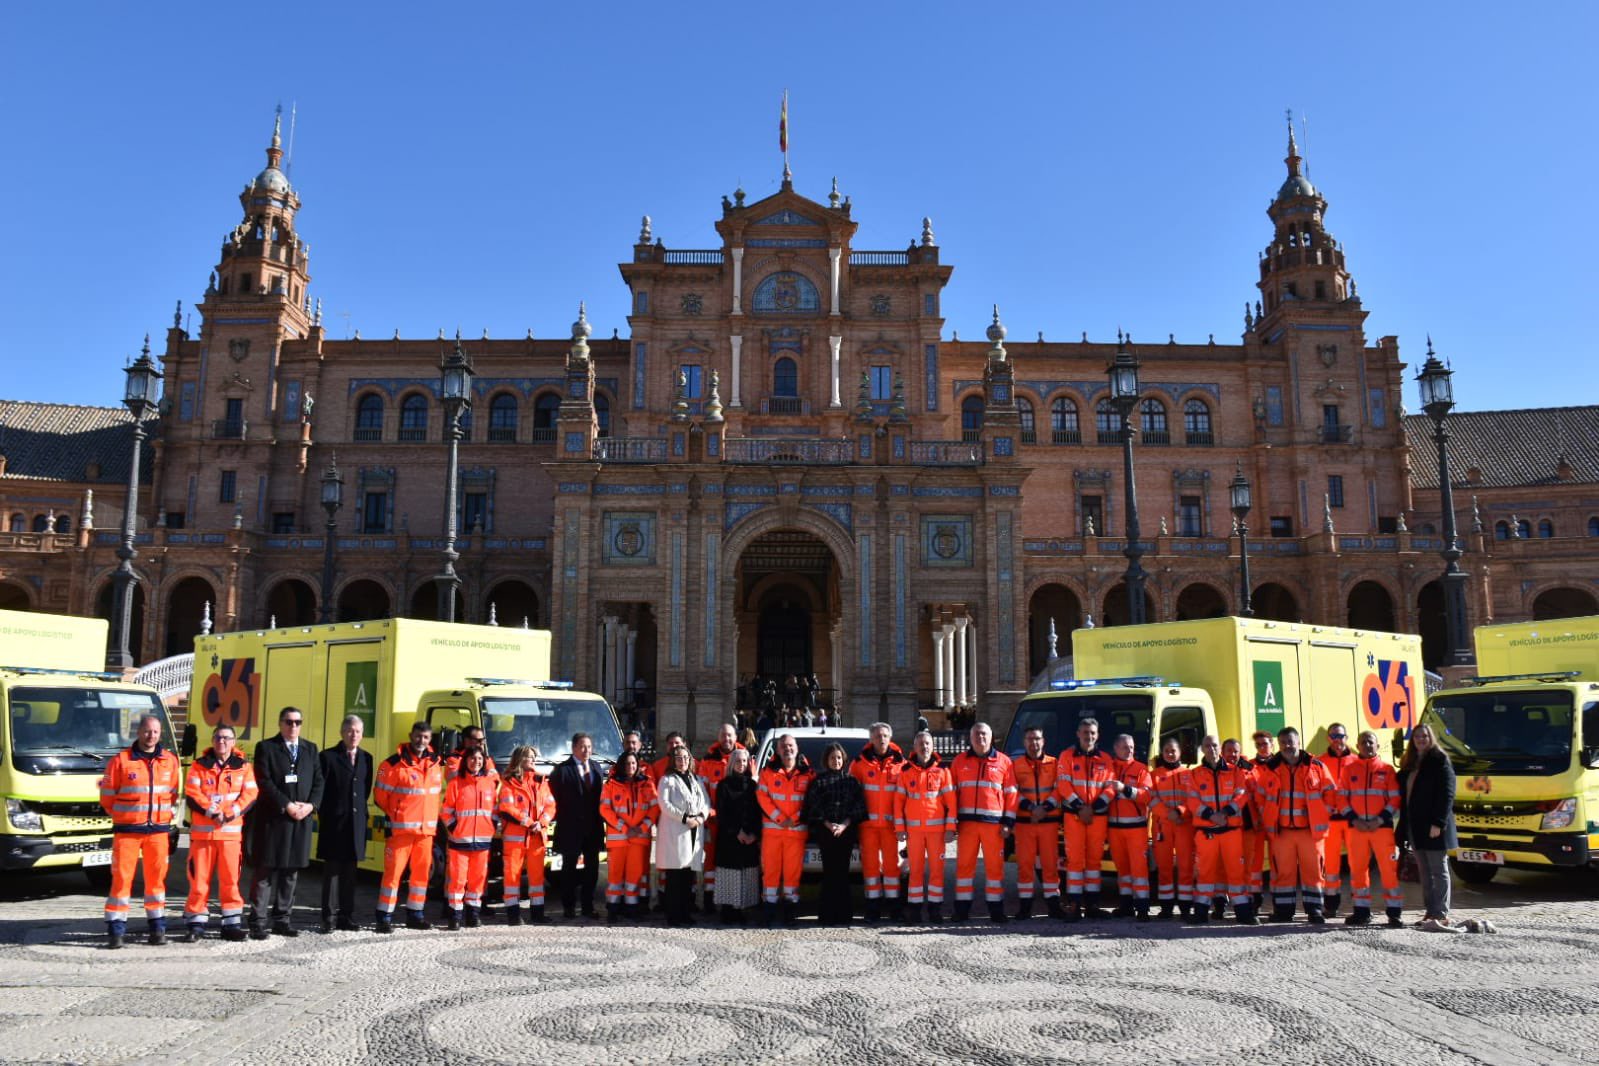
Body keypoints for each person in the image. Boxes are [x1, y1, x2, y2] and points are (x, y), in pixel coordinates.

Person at [98, 713, 182, 948]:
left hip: (158, 831)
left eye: (155, 732)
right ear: (138, 732)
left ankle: (157, 928)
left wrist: (162, 817)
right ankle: (116, 931)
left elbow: (173, 793)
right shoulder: (121, 760)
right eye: (147, 731)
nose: (151, 735)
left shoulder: (170, 761)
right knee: (122, 880)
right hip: (127, 831)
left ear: (159, 734)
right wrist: (124, 817)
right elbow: (107, 797)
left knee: (156, 881)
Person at [248, 705, 325, 939]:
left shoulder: (310, 749)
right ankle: (258, 921)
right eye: (289, 722)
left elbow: (319, 782)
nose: (294, 726)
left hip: (300, 820)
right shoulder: (267, 748)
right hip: (274, 820)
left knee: (291, 873)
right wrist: (287, 805)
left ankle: (282, 919)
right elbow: (264, 781)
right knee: (266, 872)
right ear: (280, 723)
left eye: (298, 722)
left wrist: (311, 806)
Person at [183, 724, 259, 942]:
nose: (222, 742)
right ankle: (196, 924)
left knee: (230, 882)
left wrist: (231, 813)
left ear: (234, 742)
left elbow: (251, 794)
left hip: (230, 836)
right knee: (199, 881)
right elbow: (192, 793)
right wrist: (212, 811)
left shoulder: (244, 767)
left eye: (226, 738)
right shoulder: (199, 766)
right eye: (218, 737)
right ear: (213, 740)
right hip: (203, 837)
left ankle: (232, 924)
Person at [1256, 726, 1339, 923]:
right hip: (1282, 832)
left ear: (1298, 742)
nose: (1287, 746)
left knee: (1314, 873)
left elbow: (1331, 794)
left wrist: (1321, 815)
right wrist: (1267, 817)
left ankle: (1315, 911)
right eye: (1283, 742)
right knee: (1283, 874)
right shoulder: (1271, 768)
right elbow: (1260, 796)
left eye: (1290, 741)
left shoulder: (1316, 766)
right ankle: (1284, 911)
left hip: (1310, 832)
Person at [373, 720, 445, 932]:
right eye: (417, 736)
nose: (421, 740)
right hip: (401, 831)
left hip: (426, 833)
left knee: (421, 875)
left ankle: (415, 914)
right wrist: (398, 815)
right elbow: (380, 796)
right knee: (393, 874)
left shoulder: (435, 764)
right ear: (410, 735)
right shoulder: (393, 764)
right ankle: (384, 917)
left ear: (430, 739)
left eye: (425, 737)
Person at [949, 722, 1017, 923]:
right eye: (977, 735)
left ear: (991, 737)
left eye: (984, 734)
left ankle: (996, 910)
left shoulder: (1004, 762)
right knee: (964, 867)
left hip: (994, 826)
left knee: (995, 867)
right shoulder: (959, 761)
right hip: (967, 825)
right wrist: (951, 824)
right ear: (970, 738)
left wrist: (1008, 823)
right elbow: (951, 795)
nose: (980, 738)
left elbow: (1012, 794)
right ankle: (961, 910)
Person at [1337, 729, 1403, 927]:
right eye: (1363, 742)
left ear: (1377, 745)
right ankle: (1361, 912)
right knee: (1358, 870)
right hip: (1357, 828)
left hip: (1381, 829)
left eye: (1370, 742)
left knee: (1388, 870)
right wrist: (1353, 818)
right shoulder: (1349, 769)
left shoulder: (1387, 769)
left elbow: (1395, 798)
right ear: (1357, 746)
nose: (1367, 745)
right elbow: (1341, 797)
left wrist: (1380, 820)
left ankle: (1394, 913)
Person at [1186, 735, 1255, 924]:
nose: (1211, 749)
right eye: (1207, 745)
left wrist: (1225, 813)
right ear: (1202, 748)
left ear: (1219, 748)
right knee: (1205, 873)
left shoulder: (1235, 772)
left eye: (1214, 745)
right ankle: (1200, 913)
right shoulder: (1194, 774)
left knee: (1236, 872)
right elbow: (1192, 801)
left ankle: (1243, 913)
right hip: (1206, 832)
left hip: (1231, 831)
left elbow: (1242, 795)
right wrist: (1211, 815)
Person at [1398, 722, 1458, 930]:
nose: (1421, 740)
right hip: (1415, 827)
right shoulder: (1410, 763)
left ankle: (1441, 913)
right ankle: (1430, 911)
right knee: (1423, 871)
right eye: (1417, 737)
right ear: (1412, 741)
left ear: (1430, 737)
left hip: (1434, 826)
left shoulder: (1440, 760)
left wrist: (1438, 823)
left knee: (1438, 870)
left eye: (1424, 736)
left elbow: (1447, 793)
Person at [1054, 717, 1115, 921]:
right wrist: (1081, 808)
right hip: (1075, 817)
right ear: (1078, 734)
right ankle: (1074, 905)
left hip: (1097, 817)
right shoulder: (1066, 756)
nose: (1089, 736)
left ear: (1097, 736)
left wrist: (1094, 807)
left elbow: (1111, 787)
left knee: (1094, 862)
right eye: (1085, 732)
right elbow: (1063, 785)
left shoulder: (1106, 759)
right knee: (1075, 862)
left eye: (1092, 733)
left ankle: (1092, 906)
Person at [316, 714, 373, 933]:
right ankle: (328, 918)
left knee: (350, 873)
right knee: (332, 873)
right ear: (342, 732)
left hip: (356, 824)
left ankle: (346, 916)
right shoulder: (328, 757)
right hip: (334, 823)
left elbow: (364, 789)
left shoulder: (367, 758)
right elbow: (322, 789)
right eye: (350, 730)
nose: (354, 735)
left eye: (358, 731)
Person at [896, 730, 956, 923]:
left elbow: (951, 803)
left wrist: (950, 829)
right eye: (921, 744)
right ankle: (914, 911)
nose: (925, 747)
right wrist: (899, 829)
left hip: (937, 832)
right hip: (914, 832)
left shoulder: (943, 771)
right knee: (915, 871)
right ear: (914, 748)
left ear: (933, 746)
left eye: (928, 744)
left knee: (937, 871)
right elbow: (898, 803)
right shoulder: (905, 772)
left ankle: (935, 910)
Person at [806, 742, 868, 926]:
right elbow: (813, 806)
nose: (836, 761)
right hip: (826, 833)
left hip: (846, 833)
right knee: (829, 873)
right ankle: (827, 915)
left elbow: (859, 806)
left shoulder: (851, 781)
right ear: (827, 760)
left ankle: (843, 915)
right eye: (832, 758)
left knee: (842, 874)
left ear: (844, 760)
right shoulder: (819, 781)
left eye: (839, 757)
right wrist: (828, 824)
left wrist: (844, 825)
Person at [849, 722, 906, 922]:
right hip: (868, 827)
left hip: (891, 827)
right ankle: (872, 908)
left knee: (892, 868)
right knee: (871, 868)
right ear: (871, 739)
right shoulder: (859, 763)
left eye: (884, 736)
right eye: (877, 736)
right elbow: (851, 794)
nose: (881, 739)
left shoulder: (901, 764)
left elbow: (906, 796)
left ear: (890, 738)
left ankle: (894, 908)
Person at [757, 733, 814, 927]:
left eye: (790, 746)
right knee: (771, 872)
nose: (787, 749)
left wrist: (795, 819)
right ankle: (769, 911)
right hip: (773, 832)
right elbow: (762, 797)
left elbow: (810, 800)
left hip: (796, 833)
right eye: (783, 746)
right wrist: (781, 819)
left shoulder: (808, 773)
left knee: (792, 874)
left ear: (797, 748)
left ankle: (790, 912)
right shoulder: (767, 772)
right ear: (778, 750)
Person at [498, 744, 556, 925]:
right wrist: (530, 823)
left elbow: (550, 805)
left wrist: (543, 822)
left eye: (533, 757)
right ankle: (513, 915)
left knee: (537, 878)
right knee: (512, 876)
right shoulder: (508, 782)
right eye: (529, 757)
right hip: (515, 839)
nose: (532, 760)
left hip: (537, 837)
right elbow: (507, 808)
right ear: (519, 759)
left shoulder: (541, 781)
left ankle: (537, 913)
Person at [441, 746, 498, 929]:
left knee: (477, 880)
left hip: (483, 841)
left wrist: (492, 826)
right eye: (472, 758)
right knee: (457, 881)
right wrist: (454, 828)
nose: (476, 762)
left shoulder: (490, 783)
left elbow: (496, 810)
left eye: (480, 759)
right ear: (465, 760)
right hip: (459, 841)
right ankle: (455, 917)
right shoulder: (455, 783)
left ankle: (473, 915)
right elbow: (446, 811)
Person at [551, 732, 605, 920]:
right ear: (573, 748)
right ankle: (568, 907)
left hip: (593, 829)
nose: (586, 750)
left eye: (589, 747)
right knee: (569, 870)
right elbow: (554, 798)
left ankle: (588, 907)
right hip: (570, 828)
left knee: (592, 870)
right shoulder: (562, 770)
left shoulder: (597, 767)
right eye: (582, 746)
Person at [657, 744, 712, 927]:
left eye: (686, 758)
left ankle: (686, 913)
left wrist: (701, 817)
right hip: (677, 832)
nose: (683, 761)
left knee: (688, 877)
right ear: (673, 760)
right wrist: (684, 818)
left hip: (694, 830)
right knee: (675, 878)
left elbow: (705, 801)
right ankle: (674, 915)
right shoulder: (667, 780)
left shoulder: (695, 779)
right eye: (679, 758)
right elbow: (664, 805)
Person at [1011, 726, 1063, 919]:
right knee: (1024, 865)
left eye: (1037, 739)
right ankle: (1025, 907)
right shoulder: (1015, 765)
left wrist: (1044, 809)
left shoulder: (1055, 763)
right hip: (1025, 822)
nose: (1034, 743)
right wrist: (1033, 809)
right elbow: (1012, 792)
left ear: (1044, 741)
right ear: (1024, 742)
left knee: (1050, 864)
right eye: (1030, 739)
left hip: (1048, 821)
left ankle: (1054, 906)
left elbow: (1060, 789)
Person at [600, 750, 657, 921]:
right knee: (615, 876)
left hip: (639, 838)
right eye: (627, 763)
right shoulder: (610, 785)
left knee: (634, 876)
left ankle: (632, 908)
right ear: (621, 765)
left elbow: (655, 808)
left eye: (633, 763)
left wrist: (642, 827)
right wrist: (624, 828)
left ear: (638, 765)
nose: (630, 766)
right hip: (618, 839)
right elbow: (604, 809)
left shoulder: (647, 784)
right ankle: (613, 909)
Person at [712, 746, 763, 924]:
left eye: (744, 761)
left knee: (747, 874)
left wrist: (754, 834)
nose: (741, 764)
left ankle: (743, 910)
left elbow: (759, 812)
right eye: (738, 761)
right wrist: (737, 832)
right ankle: (728, 912)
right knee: (730, 874)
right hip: (729, 838)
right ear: (732, 763)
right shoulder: (723, 785)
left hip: (749, 838)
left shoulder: (753, 785)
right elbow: (722, 812)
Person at [1107, 733, 1155, 920]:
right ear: (1116, 748)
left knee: (1139, 870)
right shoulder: (1109, 768)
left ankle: (1142, 908)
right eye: (1126, 747)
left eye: (1132, 747)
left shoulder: (1141, 769)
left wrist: (1125, 789)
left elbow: (1146, 796)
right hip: (1114, 828)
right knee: (1122, 870)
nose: (1130, 750)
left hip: (1136, 828)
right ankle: (1125, 906)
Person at [697, 723, 744, 912]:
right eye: (724, 736)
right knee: (710, 860)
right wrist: (709, 813)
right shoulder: (707, 761)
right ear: (719, 738)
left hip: (734, 822)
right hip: (713, 820)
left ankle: (732, 900)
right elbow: (702, 791)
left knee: (732, 859)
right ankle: (709, 898)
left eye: (730, 736)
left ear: (736, 737)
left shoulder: (744, 756)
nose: (727, 739)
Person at [1150, 737, 1195, 919]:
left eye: (1173, 750)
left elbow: (1193, 798)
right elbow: (1151, 799)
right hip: (1163, 825)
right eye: (1167, 750)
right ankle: (1166, 907)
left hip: (1184, 824)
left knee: (1186, 865)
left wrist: (1180, 812)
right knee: (1164, 866)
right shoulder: (1154, 775)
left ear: (1180, 752)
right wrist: (1168, 814)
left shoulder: (1189, 774)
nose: (1170, 753)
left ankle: (1185, 907)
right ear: (1162, 753)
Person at [1315, 722, 1357, 917]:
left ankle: (1361, 906)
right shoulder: (1319, 762)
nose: (1337, 740)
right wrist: (1323, 808)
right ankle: (1331, 905)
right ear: (1328, 739)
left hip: (1352, 821)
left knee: (1358, 863)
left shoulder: (1357, 761)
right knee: (1330, 866)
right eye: (1333, 736)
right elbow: (1315, 791)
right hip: (1331, 821)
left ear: (1346, 737)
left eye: (1341, 736)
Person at [1243, 730, 1275, 906]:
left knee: (1277, 860)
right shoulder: (1249, 766)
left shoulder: (1280, 764)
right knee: (1254, 862)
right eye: (1258, 745)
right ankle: (1254, 899)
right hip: (1257, 822)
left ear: (1272, 744)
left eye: (1265, 743)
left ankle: (1280, 899)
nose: (1262, 747)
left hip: (1276, 821)